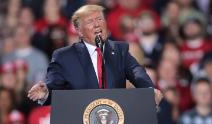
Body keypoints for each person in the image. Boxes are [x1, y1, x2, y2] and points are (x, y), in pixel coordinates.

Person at [27, 4, 162, 105]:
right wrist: (45, 93)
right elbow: (54, 87)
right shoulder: (64, 56)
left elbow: (137, 73)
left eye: (99, 19)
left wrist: (149, 91)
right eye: (90, 21)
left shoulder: (120, 50)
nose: (97, 24)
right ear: (79, 31)